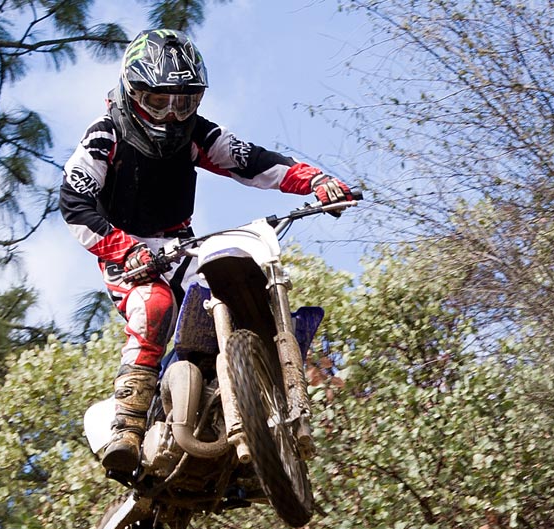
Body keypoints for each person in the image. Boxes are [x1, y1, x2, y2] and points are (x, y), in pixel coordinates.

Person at [60, 28, 352, 476]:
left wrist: (315, 181)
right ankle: (126, 428)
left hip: (179, 243)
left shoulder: (197, 134)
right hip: (124, 251)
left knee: (235, 283)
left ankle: (249, 408)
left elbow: (252, 160)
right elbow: (75, 204)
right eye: (159, 101)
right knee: (155, 306)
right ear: (132, 92)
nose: (172, 115)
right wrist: (126, 249)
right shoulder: (104, 137)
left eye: (184, 102)